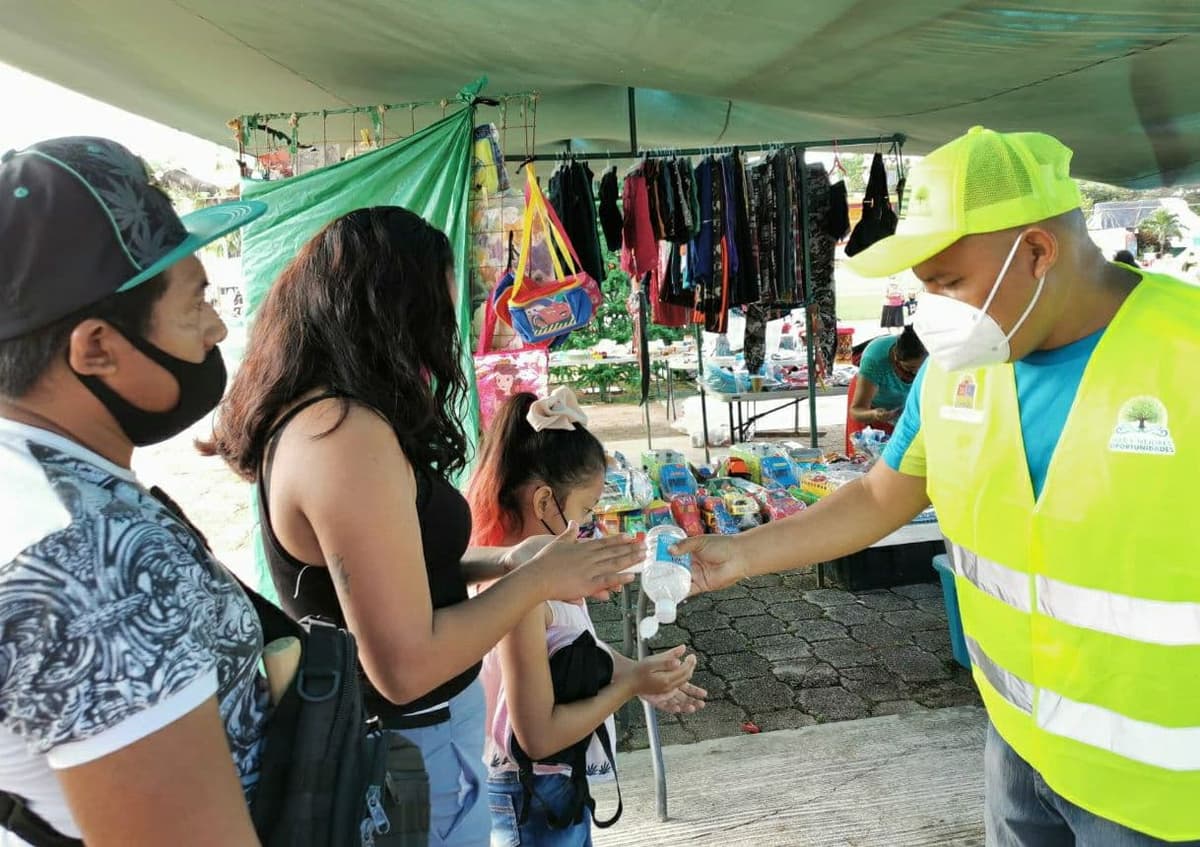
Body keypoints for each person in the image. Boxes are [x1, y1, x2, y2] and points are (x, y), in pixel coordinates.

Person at [674, 127, 1200, 845]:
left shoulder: (1186, 352)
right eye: (926, 288)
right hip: (1018, 744)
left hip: (1162, 792)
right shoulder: (958, 370)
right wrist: (743, 554)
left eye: (951, 282)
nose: (937, 310)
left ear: (1039, 252)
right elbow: (878, 497)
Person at [207, 207, 642, 847]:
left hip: (416, 744)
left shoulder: (322, 419)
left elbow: (397, 577)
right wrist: (542, 576)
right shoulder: (343, 436)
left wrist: (505, 563)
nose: (449, 332)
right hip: (412, 747)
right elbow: (405, 667)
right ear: (389, 311)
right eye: (440, 310)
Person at [0, 137, 269, 845]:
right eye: (195, 304)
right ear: (95, 347)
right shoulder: (88, 561)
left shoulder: (35, 480)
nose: (217, 327)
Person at [468, 389, 705, 845]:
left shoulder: (536, 576)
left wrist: (636, 671)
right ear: (543, 504)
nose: (593, 525)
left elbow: (571, 650)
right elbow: (539, 736)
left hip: (549, 787)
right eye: (586, 511)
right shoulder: (523, 596)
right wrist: (630, 687)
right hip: (533, 794)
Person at [849, 325, 928, 431]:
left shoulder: (931, 356)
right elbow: (856, 411)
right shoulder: (874, 359)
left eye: (921, 367)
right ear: (895, 357)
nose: (916, 373)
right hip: (869, 403)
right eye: (910, 368)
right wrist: (874, 414)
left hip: (900, 409)